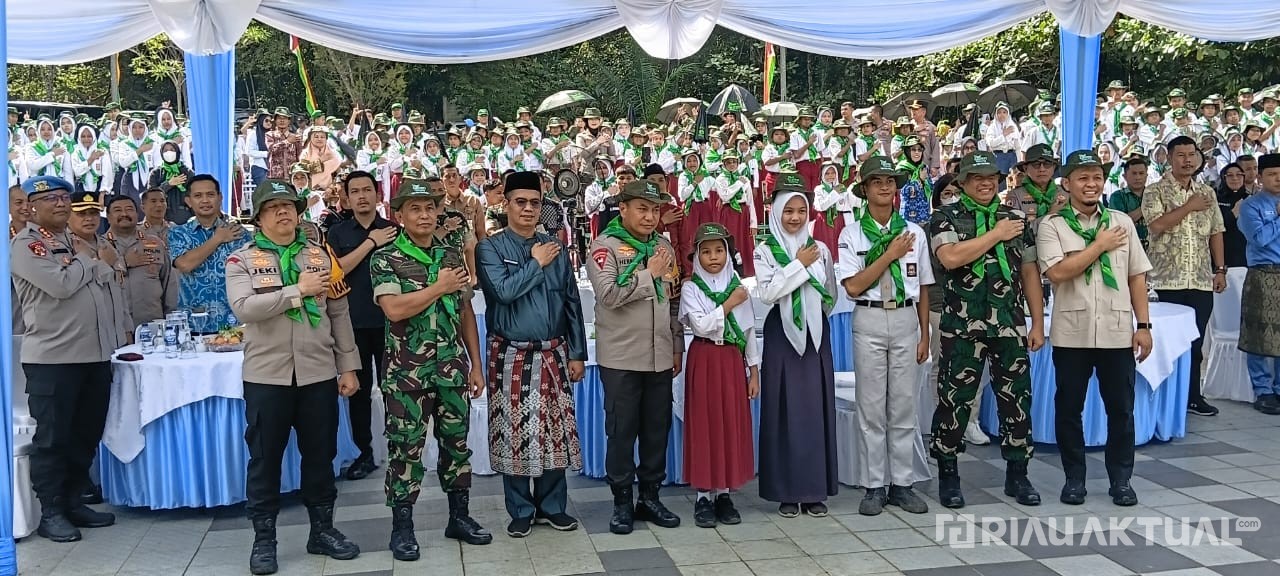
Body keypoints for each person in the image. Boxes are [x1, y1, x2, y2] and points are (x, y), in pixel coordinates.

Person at [226, 179, 362, 575]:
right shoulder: (242, 261)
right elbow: (244, 308)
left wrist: (348, 365)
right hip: (267, 377)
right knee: (265, 458)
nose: (284, 212)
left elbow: (338, 312)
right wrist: (295, 291)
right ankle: (264, 540)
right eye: (273, 207)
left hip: (318, 373)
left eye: (289, 206)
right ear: (259, 217)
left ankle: (322, 530)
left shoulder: (321, 257)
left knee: (320, 455)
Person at [370, 180, 492, 556]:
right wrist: (438, 287)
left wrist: (475, 364)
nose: (424, 215)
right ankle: (402, 528)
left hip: (452, 370)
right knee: (405, 451)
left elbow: (466, 311)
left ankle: (459, 517)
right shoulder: (386, 258)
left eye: (430, 208)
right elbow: (394, 309)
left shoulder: (451, 254)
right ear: (400, 215)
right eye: (415, 209)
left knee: (457, 446)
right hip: (407, 375)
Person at [929, 151, 1045, 509]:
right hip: (962, 326)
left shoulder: (1014, 218)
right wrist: (995, 234)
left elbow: (1029, 271)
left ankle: (1018, 473)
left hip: (1008, 324)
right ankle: (948, 472)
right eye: (976, 177)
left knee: (1017, 400)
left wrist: (1037, 321)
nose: (985, 183)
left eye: (991, 177)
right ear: (962, 182)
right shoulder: (945, 217)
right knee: (954, 400)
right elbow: (950, 258)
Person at [1037, 150, 1153, 507]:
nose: (1091, 184)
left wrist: (1144, 325)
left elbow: (1136, 275)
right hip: (1072, 332)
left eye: (1097, 178)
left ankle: (1121, 479)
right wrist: (1099, 246)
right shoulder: (1051, 226)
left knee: (1121, 408)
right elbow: (1057, 272)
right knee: (1069, 407)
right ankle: (1075, 478)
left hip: (1118, 331)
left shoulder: (1121, 222)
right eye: (1083, 178)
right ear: (1067, 183)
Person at [11, 176, 123, 542]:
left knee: (85, 435)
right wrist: (89, 260)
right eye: (50, 199)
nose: (60, 204)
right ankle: (52, 511)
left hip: (94, 355)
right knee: (53, 440)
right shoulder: (27, 245)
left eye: (63, 197)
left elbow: (109, 273)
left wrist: (88, 261)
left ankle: (74, 500)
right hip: (53, 359)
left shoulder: (73, 243)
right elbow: (60, 285)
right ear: (31, 207)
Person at [475, 171, 586, 537]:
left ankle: (553, 506)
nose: (527, 209)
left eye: (534, 203)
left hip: (553, 352)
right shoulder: (490, 248)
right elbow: (503, 292)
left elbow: (571, 301)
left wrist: (577, 353)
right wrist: (535, 263)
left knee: (554, 431)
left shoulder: (554, 246)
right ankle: (520, 508)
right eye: (520, 202)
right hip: (511, 354)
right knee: (514, 431)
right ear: (505, 205)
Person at [586, 179, 684, 535]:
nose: (649, 216)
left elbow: (672, 300)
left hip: (659, 357)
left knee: (657, 431)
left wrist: (677, 345)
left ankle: (651, 497)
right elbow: (609, 294)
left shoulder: (662, 246)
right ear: (623, 209)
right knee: (622, 432)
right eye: (641, 208)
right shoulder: (605, 247)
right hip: (622, 358)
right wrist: (648, 274)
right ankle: (622, 502)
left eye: (655, 210)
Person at [838, 157, 933, 516]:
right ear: (864, 190)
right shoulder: (852, 233)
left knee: (904, 405)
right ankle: (874, 484)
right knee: (872, 406)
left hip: (906, 316)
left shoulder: (914, 231)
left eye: (890, 181)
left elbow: (923, 286)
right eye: (876, 181)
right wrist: (890, 254)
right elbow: (853, 286)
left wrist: (924, 334)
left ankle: (903, 483)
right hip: (870, 316)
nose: (885, 187)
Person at [754, 174, 839, 518]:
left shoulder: (822, 250)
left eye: (800, 211)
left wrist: (813, 311)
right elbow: (769, 292)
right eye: (787, 211)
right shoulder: (764, 251)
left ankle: (814, 489)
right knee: (783, 411)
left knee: (814, 410)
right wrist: (798, 266)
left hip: (816, 335)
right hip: (782, 336)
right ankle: (786, 491)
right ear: (775, 213)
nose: (794, 218)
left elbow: (830, 294)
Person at [1141, 135, 1226, 417]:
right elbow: (1155, 226)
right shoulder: (1155, 191)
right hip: (1166, 280)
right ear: (1168, 157)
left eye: (1192, 154)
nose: (1187, 160)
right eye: (1181, 155)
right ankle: (1163, 399)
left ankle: (1192, 397)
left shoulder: (1208, 192)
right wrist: (1188, 207)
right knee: (1166, 343)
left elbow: (1216, 232)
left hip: (1200, 278)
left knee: (1196, 342)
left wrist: (1220, 269)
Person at [680, 222, 758, 528]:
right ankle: (703, 495)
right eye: (707, 251)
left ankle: (725, 493)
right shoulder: (691, 288)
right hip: (705, 356)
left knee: (729, 421)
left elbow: (748, 330)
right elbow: (701, 326)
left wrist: (753, 371)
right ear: (697, 256)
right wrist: (728, 304)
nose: (714, 257)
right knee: (705, 423)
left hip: (730, 358)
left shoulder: (737, 285)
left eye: (720, 250)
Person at [326, 171, 400, 480]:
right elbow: (337, 271)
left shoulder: (394, 230)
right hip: (351, 325)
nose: (361, 196)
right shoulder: (337, 233)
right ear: (346, 197)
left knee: (393, 389)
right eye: (354, 191)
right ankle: (364, 452)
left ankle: (399, 450)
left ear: (377, 193)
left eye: (367, 189)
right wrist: (370, 242)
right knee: (356, 392)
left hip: (390, 322)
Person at [169, 175, 247, 328]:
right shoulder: (178, 233)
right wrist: (217, 239)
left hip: (234, 323)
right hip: (194, 323)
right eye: (198, 196)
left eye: (210, 195)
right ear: (188, 201)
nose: (205, 200)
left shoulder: (238, 232)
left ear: (220, 197)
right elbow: (184, 264)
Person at [1238, 154, 1280, 414]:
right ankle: (1263, 390)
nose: (1278, 179)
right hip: (1264, 274)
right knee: (1260, 334)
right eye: (1273, 174)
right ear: (1261, 177)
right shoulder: (1251, 206)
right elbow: (1260, 238)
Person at [105, 195, 177, 329]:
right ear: (108, 217)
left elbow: (169, 284)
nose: (124, 214)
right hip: (114, 327)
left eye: (129, 209)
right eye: (117, 210)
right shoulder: (101, 246)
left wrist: (172, 321)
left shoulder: (155, 243)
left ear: (137, 213)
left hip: (153, 324)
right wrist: (124, 263)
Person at [715, 152, 756, 276]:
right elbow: (725, 195)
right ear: (724, 164)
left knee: (744, 241)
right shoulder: (721, 179)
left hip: (742, 213)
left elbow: (750, 201)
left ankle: (747, 271)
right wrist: (738, 183)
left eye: (734, 162)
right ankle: (730, 270)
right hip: (728, 212)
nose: (732, 164)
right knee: (731, 240)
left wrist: (753, 222)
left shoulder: (745, 178)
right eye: (728, 162)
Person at [1005, 144, 1068, 222]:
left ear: (1054, 167)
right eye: (1036, 164)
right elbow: (1018, 231)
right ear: (1026, 168)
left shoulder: (1065, 193)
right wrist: (1051, 215)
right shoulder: (1015, 196)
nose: (1042, 169)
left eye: (1047, 164)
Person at [1107, 157, 1151, 248]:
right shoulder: (1117, 197)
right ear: (1125, 176)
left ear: (1146, 175)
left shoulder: (1154, 194)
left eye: (1141, 173)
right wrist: (1144, 207)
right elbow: (1119, 224)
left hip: (1153, 248)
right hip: (1128, 247)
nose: (1138, 177)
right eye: (1134, 174)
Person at [148, 142, 196, 224]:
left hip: (185, 219)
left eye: (172, 150)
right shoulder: (156, 173)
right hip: (163, 219)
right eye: (165, 150)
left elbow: (195, 194)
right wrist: (168, 184)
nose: (169, 153)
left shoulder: (187, 172)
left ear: (177, 152)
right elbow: (150, 196)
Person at [1215, 163, 1251, 269]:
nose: (1235, 178)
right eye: (1230, 175)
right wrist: (1233, 213)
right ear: (1223, 178)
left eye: (1239, 175)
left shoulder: (1251, 199)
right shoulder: (1215, 199)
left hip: (1246, 258)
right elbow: (1215, 227)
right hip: (1223, 257)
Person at [266, 108, 301, 180]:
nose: (282, 120)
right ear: (275, 120)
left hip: (292, 175)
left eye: (285, 118)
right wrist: (287, 141)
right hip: (275, 176)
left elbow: (299, 156)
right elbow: (271, 150)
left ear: (289, 121)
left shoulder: (295, 137)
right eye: (279, 118)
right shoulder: (270, 135)